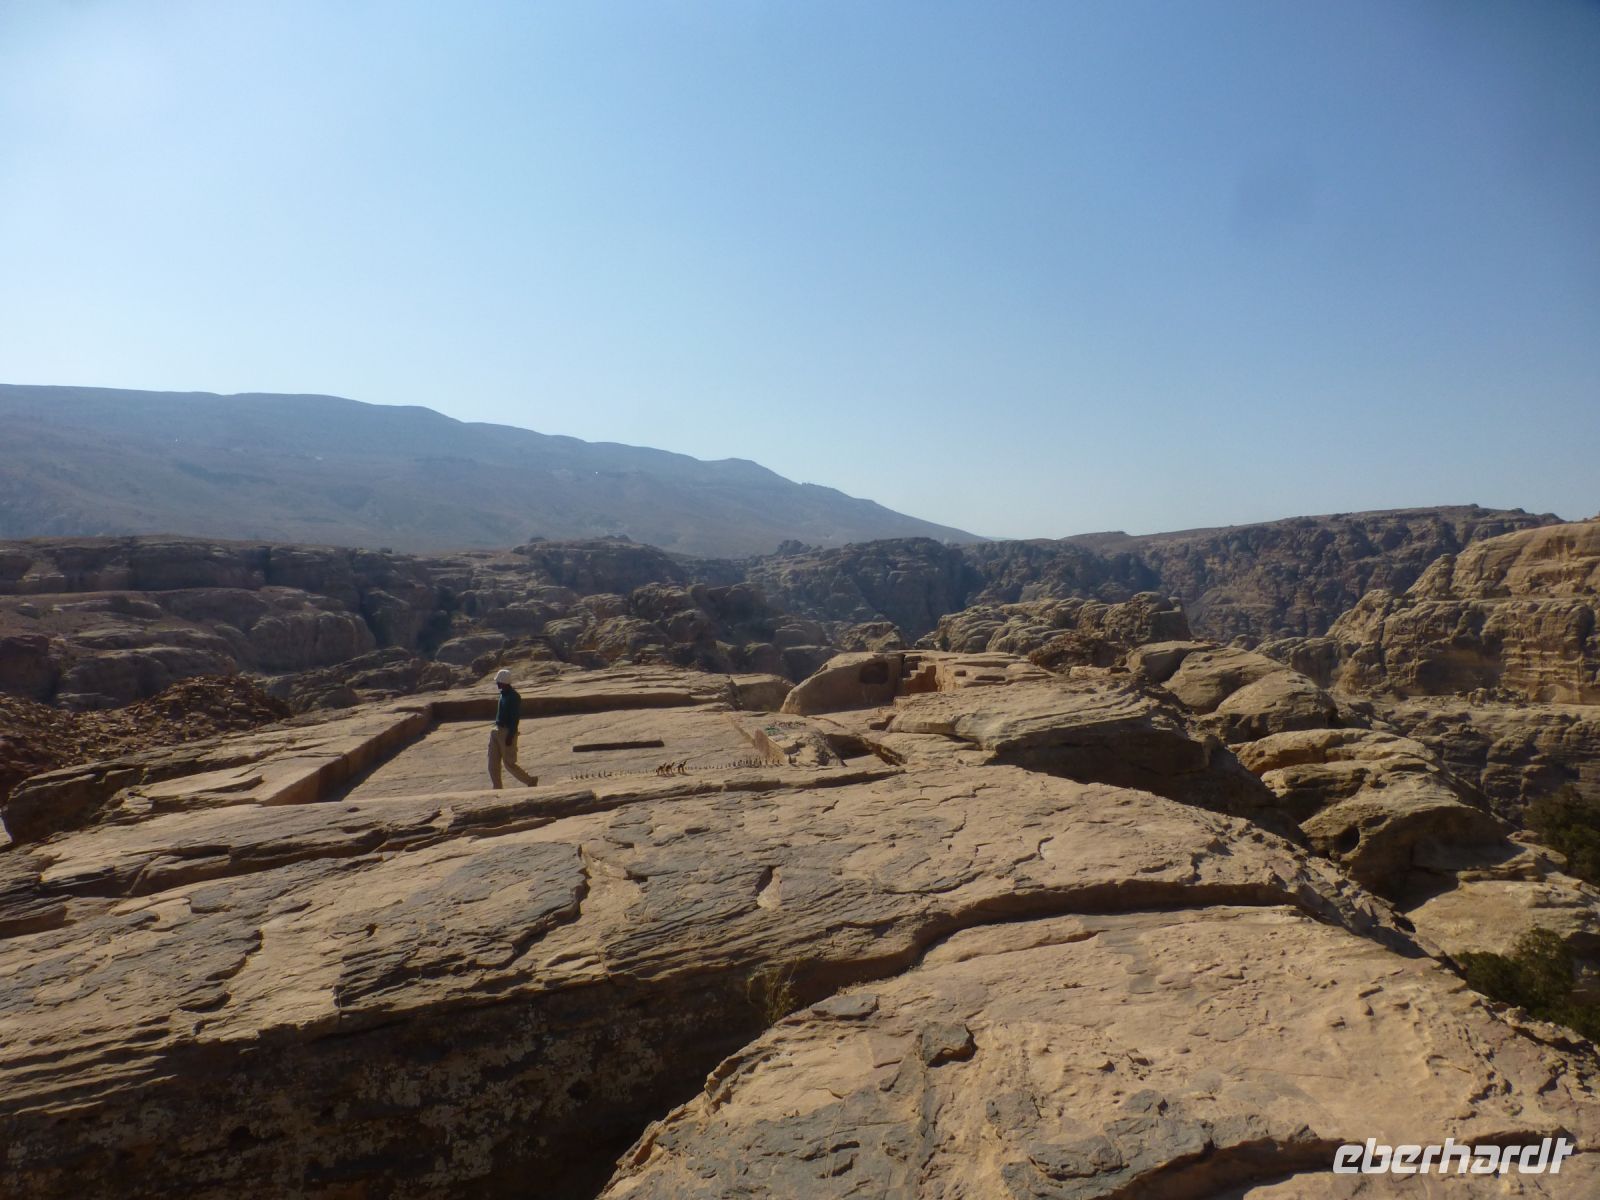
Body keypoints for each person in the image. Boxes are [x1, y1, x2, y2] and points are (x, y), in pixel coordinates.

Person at [488, 668, 537, 789]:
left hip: (506, 732)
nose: (497, 683)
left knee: (509, 763)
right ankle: (497, 787)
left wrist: (511, 735)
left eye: (499, 681)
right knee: (492, 763)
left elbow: (515, 718)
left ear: (504, 682)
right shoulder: (503, 694)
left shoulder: (514, 697)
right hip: (496, 730)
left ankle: (530, 781)